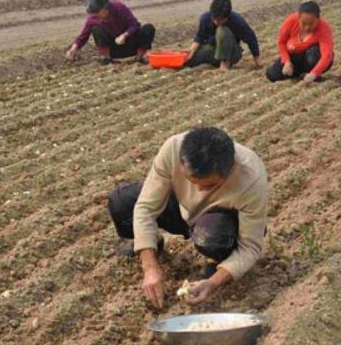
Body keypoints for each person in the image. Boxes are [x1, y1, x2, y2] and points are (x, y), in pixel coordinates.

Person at [107, 126, 268, 309]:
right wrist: (150, 267)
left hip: (219, 221)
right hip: (182, 208)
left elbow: (250, 246)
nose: (198, 190)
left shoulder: (251, 179)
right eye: (192, 182)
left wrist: (213, 282)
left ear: (230, 169)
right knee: (121, 202)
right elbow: (146, 208)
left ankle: (217, 260)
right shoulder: (173, 148)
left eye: (208, 186)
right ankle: (152, 244)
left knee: (213, 236)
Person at [66, 0, 156, 65]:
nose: (96, 15)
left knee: (148, 28)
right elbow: (83, 37)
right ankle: (108, 59)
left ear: (105, 7)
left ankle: (139, 57)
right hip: (114, 49)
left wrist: (125, 35)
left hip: (131, 45)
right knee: (96, 29)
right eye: (94, 13)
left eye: (97, 12)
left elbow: (135, 24)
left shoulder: (119, 7)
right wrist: (73, 49)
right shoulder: (93, 19)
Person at [266, 0, 334, 85]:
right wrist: (286, 62)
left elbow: (327, 55)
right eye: (304, 23)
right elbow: (281, 42)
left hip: (310, 59)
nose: (307, 27)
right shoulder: (291, 21)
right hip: (294, 57)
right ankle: (298, 74)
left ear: (318, 19)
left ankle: (311, 74)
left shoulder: (324, 28)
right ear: (298, 17)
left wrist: (314, 74)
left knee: (315, 53)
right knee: (272, 75)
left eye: (311, 24)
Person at [186, 0, 261, 71]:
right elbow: (200, 37)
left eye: (220, 19)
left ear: (227, 16)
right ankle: (212, 62)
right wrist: (191, 51)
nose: (216, 22)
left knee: (222, 30)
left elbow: (251, 39)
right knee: (189, 59)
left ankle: (224, 64)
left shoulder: (237, 21)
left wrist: (257, 61)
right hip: (213, 49)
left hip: (231, 53)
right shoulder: (205, 18)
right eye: (214, 18)